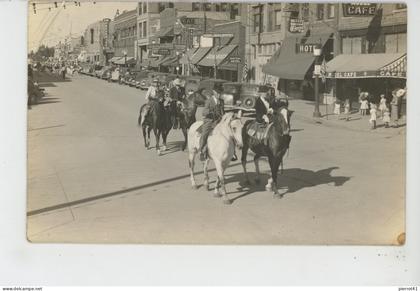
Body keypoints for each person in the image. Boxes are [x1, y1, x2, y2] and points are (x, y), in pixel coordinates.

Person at [199, 89, 224, 161]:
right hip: (210, 120)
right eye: (218, 93)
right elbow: (204, 112)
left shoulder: (221, 101)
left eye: (220, 94)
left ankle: (232, 152)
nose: (219, 95)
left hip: (218, 121)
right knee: (204, 134)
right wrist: (210, 111)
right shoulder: (209, 101)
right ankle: (201, 150)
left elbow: (223, 111)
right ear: (214, 92)